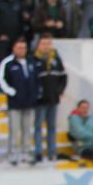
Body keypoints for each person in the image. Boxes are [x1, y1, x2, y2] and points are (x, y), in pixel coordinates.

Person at [0, 38, 38, 166]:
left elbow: (36, 79)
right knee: (14, 129)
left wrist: (36, 93)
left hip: (29, 102)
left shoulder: (31, 61)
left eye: (24, 48)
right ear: (14, 49)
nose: (22, 50)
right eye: (19, 48)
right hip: (15, 102)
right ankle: (13, 153)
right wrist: (12, 92)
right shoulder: (8, 63)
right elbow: (1, 80)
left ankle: (26, 152)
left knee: (27, 129)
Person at [32, 34, 66, 163]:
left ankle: (52, 152)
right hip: (40, 100)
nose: (46, 46)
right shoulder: (34, 59)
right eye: (43, 44)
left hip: (53, 98)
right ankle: (38, 152)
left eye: (48, 43)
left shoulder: (56, 59)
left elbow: (63, 76)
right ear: (39, 45)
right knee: (38, 126)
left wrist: (60, 91)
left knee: (52, 126)